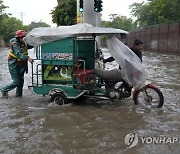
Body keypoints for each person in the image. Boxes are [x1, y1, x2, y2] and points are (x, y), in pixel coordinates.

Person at [0, 30, 34, 99]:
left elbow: (31, 46)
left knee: (21, 81)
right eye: (22, 37)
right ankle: (3, 89)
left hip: (22, 64)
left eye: (24, 37)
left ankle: (19, 97)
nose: (23, 39)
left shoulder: (24, 43)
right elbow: (19, 54)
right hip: (14, 64)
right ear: (18, 38)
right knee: (16, 81)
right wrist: (28, 58)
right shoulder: (14, 44)